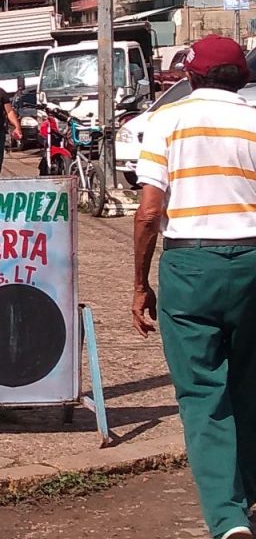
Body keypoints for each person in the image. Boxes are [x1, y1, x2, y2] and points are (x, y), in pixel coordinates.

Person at [132, 36, 256, 539]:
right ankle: (248, 492)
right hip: (252, 260)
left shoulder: (167, 120)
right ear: (243, 77)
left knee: (203, 390)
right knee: (248, 383)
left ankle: (228, 519)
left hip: (190, 265)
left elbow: (148, 212)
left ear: (191, 76)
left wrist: (139, 283)